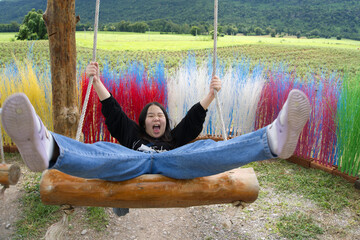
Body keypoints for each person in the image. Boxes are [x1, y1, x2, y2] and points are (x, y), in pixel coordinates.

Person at [1, 62, 310, 194]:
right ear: (143, 123)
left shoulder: (176, 139)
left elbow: (193, 118)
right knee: (104, 150)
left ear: (165, 122)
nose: (155, 117)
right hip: (132, 164)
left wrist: (212, 94)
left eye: (159, 114)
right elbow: (113, 110)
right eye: (150, 115)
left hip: (174, 164)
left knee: (203, 147)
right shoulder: (131, 137)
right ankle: (49, 147)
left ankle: (271, 139)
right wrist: (95, 81)